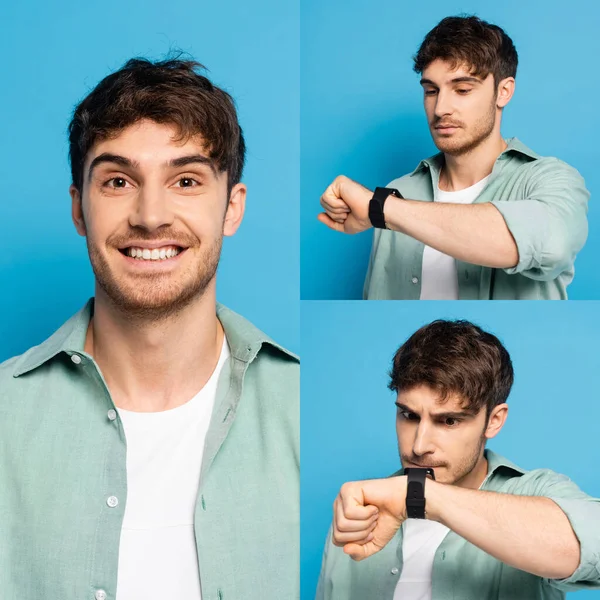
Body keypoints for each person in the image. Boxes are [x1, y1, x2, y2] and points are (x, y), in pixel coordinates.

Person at [0, 57, 299, 600]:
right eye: (118, 181)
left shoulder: (301, 405)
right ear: (78, 209)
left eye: (186, 180)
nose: (151, 215)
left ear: (232, 208)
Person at [316, 320, 600, 599]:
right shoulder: (357, 511)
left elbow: (591, 545)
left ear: (494, 421)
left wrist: (418, 496)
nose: (419, 445)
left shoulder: (536, 493)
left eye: (449, 421)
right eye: (409, 415)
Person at [318, 16, 590, 300]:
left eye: (462, 90)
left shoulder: (553, 180)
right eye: (431, 91)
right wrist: (381, 208)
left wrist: (382, 209)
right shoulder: (400, 190)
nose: (440, 108)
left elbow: (550, 245)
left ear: (504, 91)